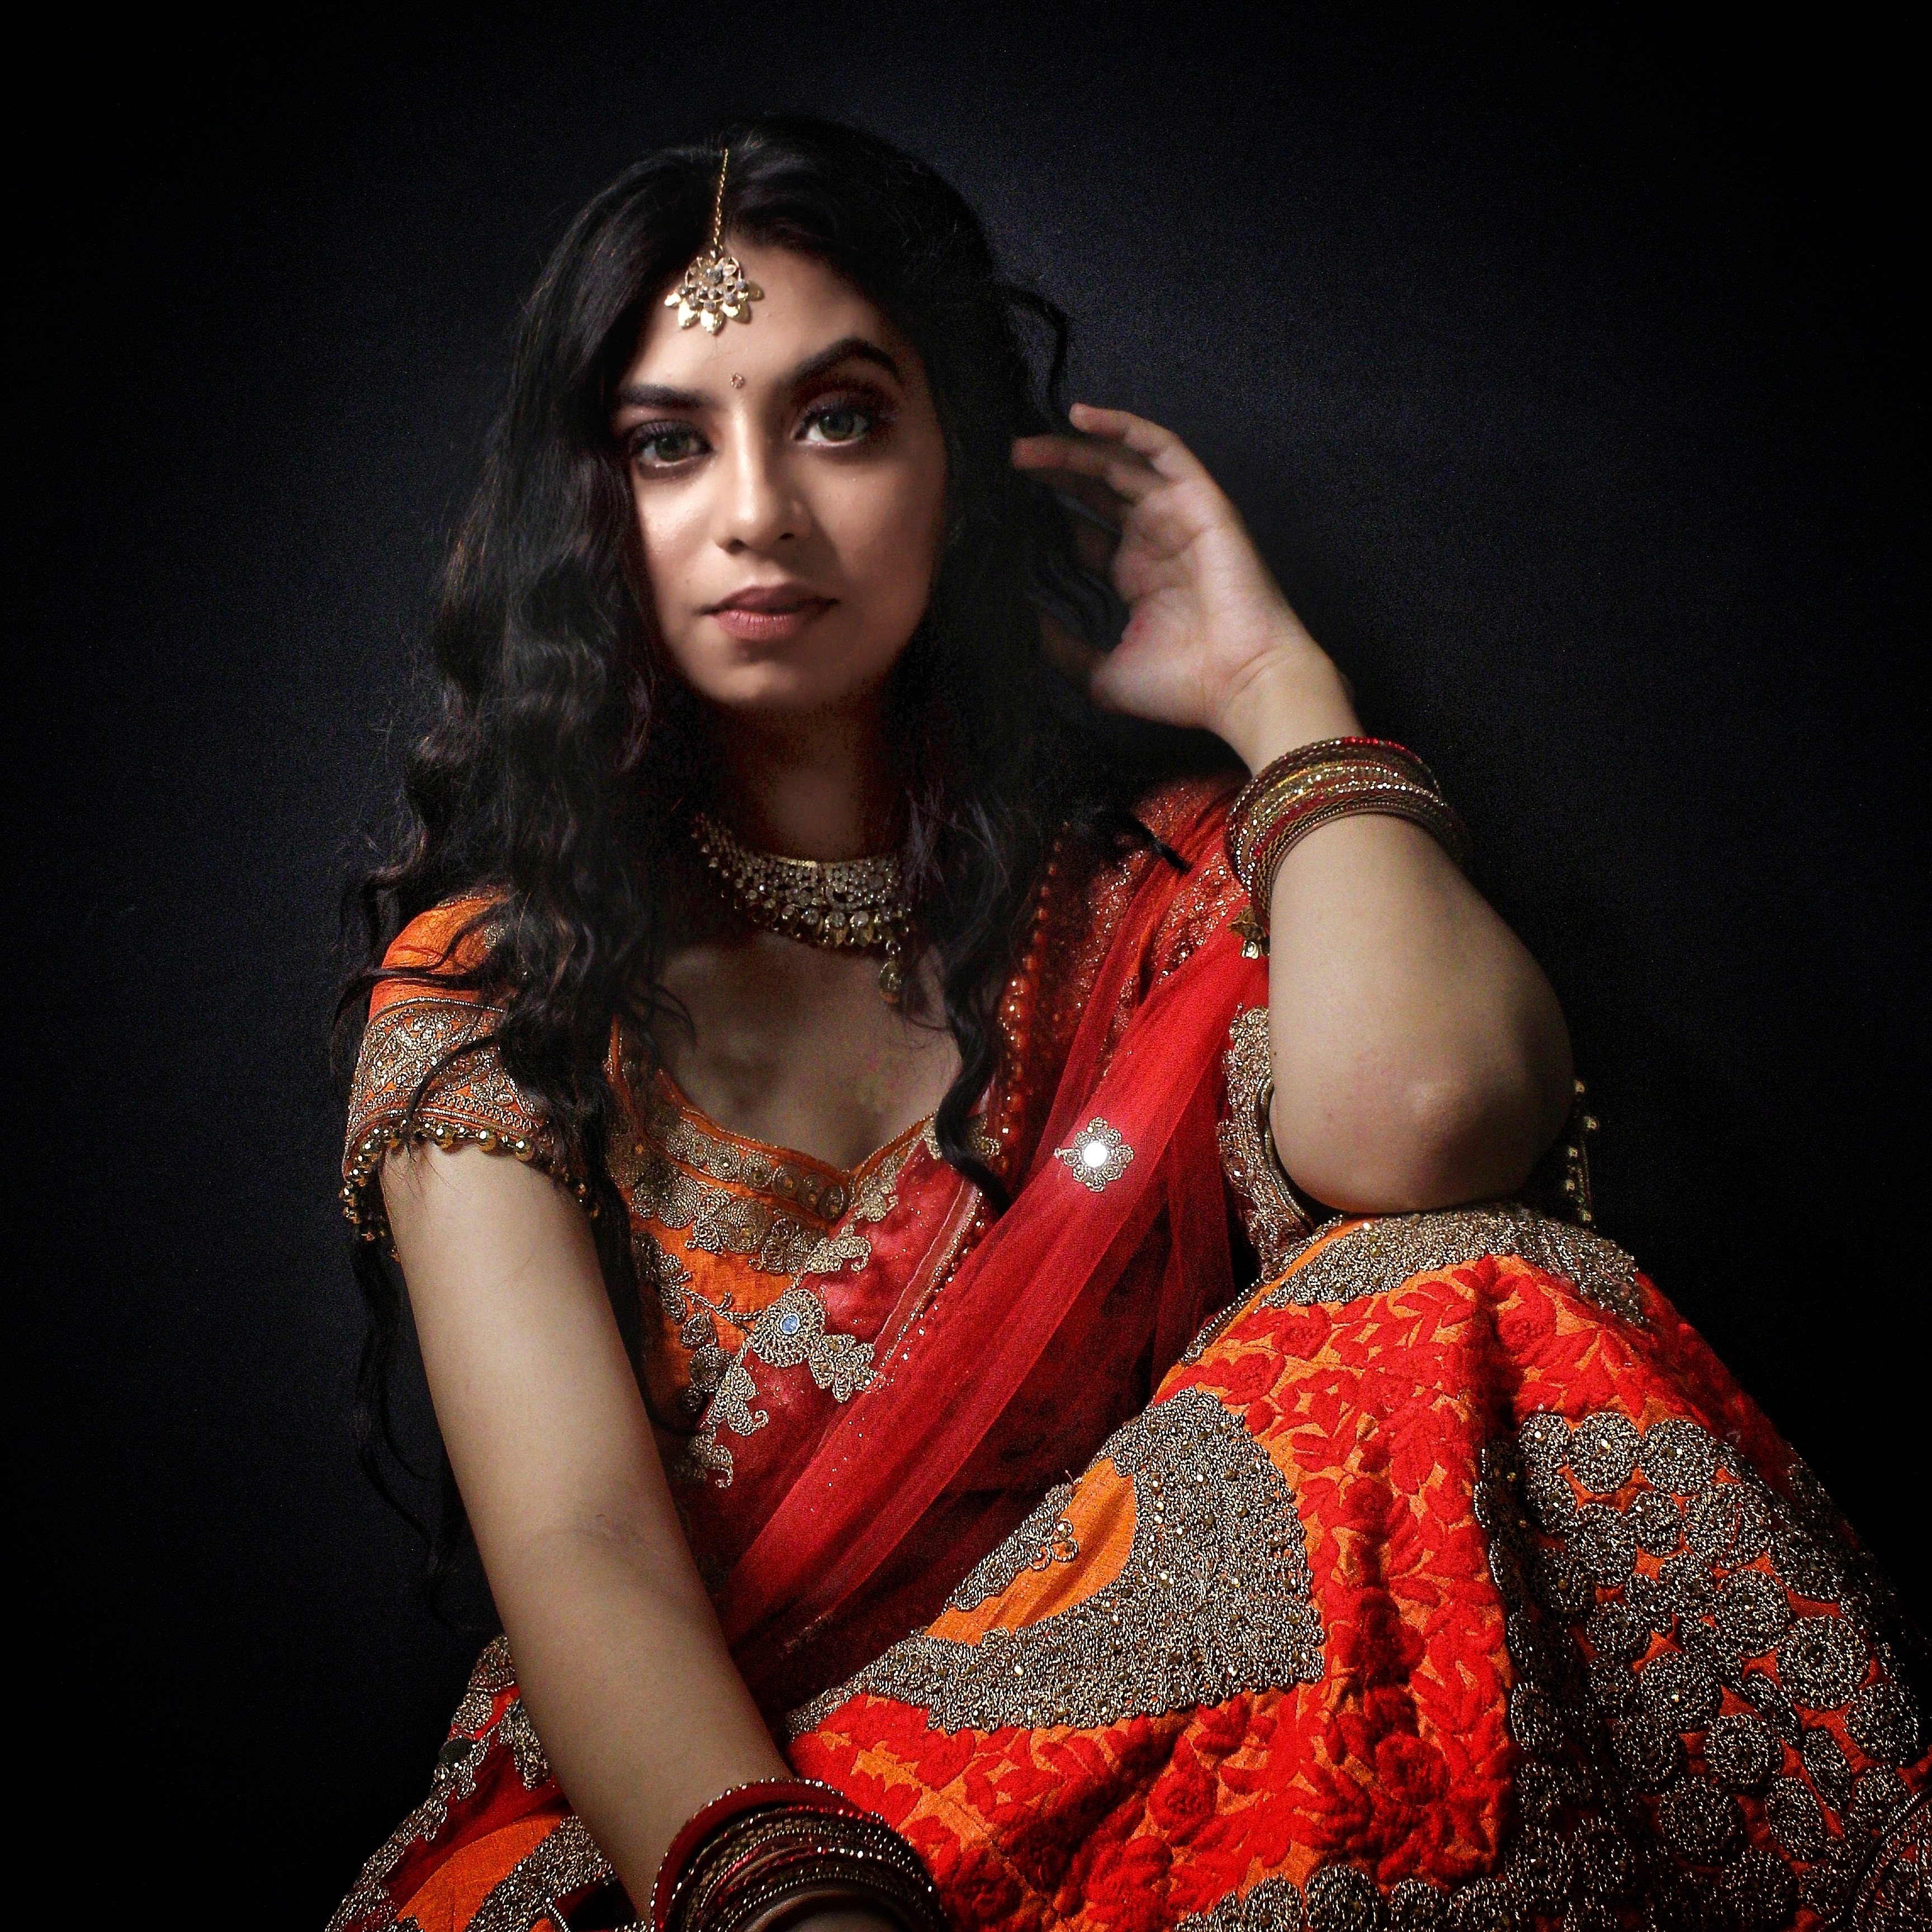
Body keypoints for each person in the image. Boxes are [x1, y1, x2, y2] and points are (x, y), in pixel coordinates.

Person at [330, 118, 1926, 1932]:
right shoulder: (508, 993)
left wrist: (1278, 695)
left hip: (1130, 1795)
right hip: (687, 1829)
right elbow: (581, 1544)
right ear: (588, 507)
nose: (757, 509)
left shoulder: (1151, 904)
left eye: (839, 419)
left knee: (1477, 1289)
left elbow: (1429, 1118)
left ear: (961, 467)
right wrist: (785, 1896)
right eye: (668, 443)